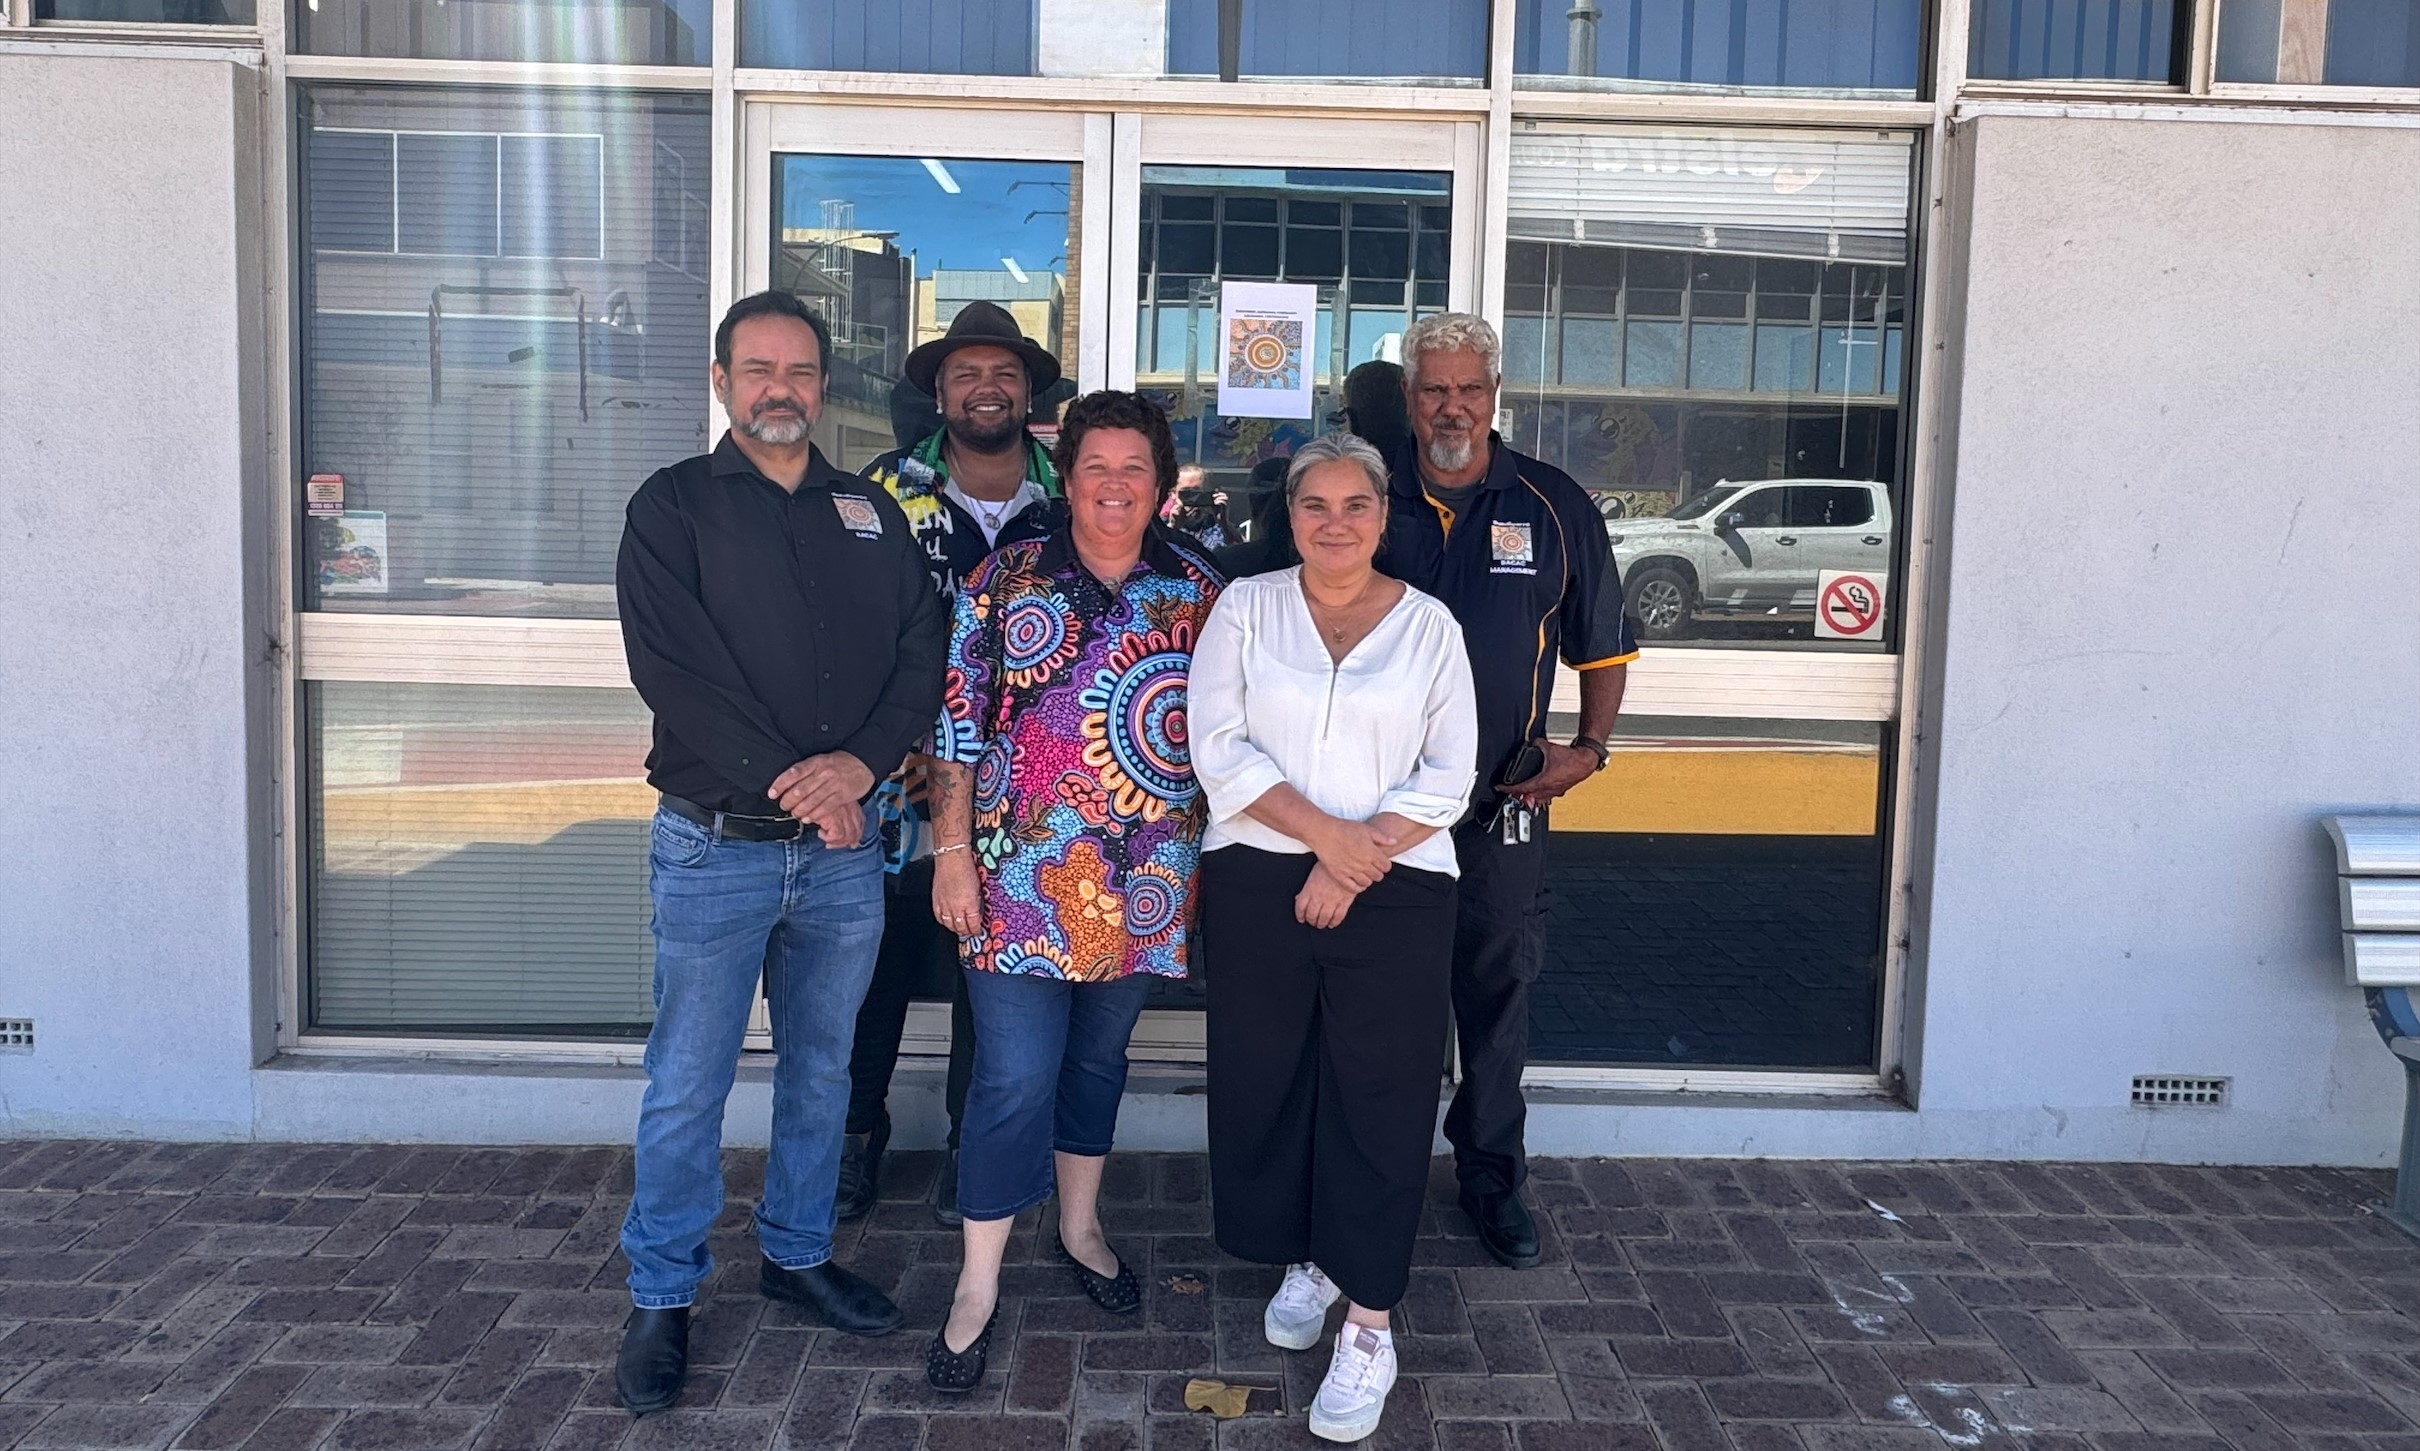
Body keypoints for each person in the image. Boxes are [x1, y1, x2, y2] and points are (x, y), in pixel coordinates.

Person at [611, 291, 946, 1415]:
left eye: (799, 371)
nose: (779, 389)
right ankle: (662, 1290)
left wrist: (860, 764)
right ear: (721, 381)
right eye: (757, 369)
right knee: (687, 1084)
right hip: (717, 849)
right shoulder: (671, 507)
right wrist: (801, 782)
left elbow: (921, 645)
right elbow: (674, 672)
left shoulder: (868, 511)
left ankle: (796, 1254)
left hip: (843, 856)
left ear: (824, 385)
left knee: (821, 1069)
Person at [920, 391, 1224, 1393]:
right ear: (1069, 476)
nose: (1114, 485)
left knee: (1097, 1060)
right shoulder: (1005, 578)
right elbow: (957, 723)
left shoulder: (1200, 589)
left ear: (1161, 481)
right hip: (1015, 877)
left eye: (1134, 467)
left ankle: (1081, 1227)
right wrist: (951, 853)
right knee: (1012, 1076)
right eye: (1096, 466)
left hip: (1147, 881)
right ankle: (975, 1284)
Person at [1191, 432, 1478, 1443]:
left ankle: (1368, 1321)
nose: (1336, 522)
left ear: (1383, 513)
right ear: (1291, 513)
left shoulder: (1429, 626)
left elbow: (1450, 770)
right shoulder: (1246, 607)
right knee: (1273, 1077)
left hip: (1398, 882)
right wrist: (1326, 841)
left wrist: (1354, 859)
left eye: (1356, 504)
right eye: (1315, 504)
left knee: (1379, 1094)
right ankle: (1310, 1253)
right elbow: (1216, 745)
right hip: (1259, 873)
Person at [1379, 312, 1638, 1272]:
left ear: (1494, 396)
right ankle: (1378, 1174)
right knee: (1384, 1001)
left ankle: (1492, 1178)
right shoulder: (1365, 494)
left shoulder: (1553, 504)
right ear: (1409, 399)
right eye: (1434, 389)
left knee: (1496, 1001)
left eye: (1468, 389)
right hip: (1380, 810)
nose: (1452, 407)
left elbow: (1602, 645)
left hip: (1503, 805)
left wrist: (1590, 750)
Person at [839, 301, 1069, 1229]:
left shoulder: (1069, 498)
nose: (986, 387)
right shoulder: (881, 491)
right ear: (938, 391)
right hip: (896, 777)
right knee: (875, 965)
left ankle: (976, 1149)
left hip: (1024, 788)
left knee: (994, 973)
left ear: (1029, 392)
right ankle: (855, 1134)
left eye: (1005, 373)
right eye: (966, 372)